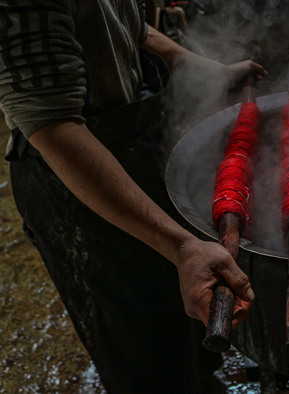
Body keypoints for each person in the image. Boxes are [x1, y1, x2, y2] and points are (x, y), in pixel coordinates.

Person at [0, 1, 266, 392]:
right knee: (142, 350)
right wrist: (181, 247)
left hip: (135, 138)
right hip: (79, 186)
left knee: (182, 321)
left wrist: (205, 69)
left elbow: (128, 24)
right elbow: (52, 123)